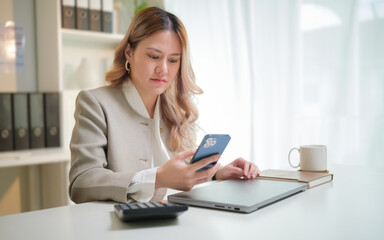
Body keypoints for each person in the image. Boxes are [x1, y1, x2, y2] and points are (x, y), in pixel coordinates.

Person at [69, 7, 259, 204]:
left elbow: (181, 172)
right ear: (129, 52)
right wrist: (157, 178)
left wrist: (216, 173)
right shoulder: (95, 103)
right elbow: (81, 183)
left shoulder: (177, 108)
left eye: (173, 60)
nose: (163, 69)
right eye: (153, 56)